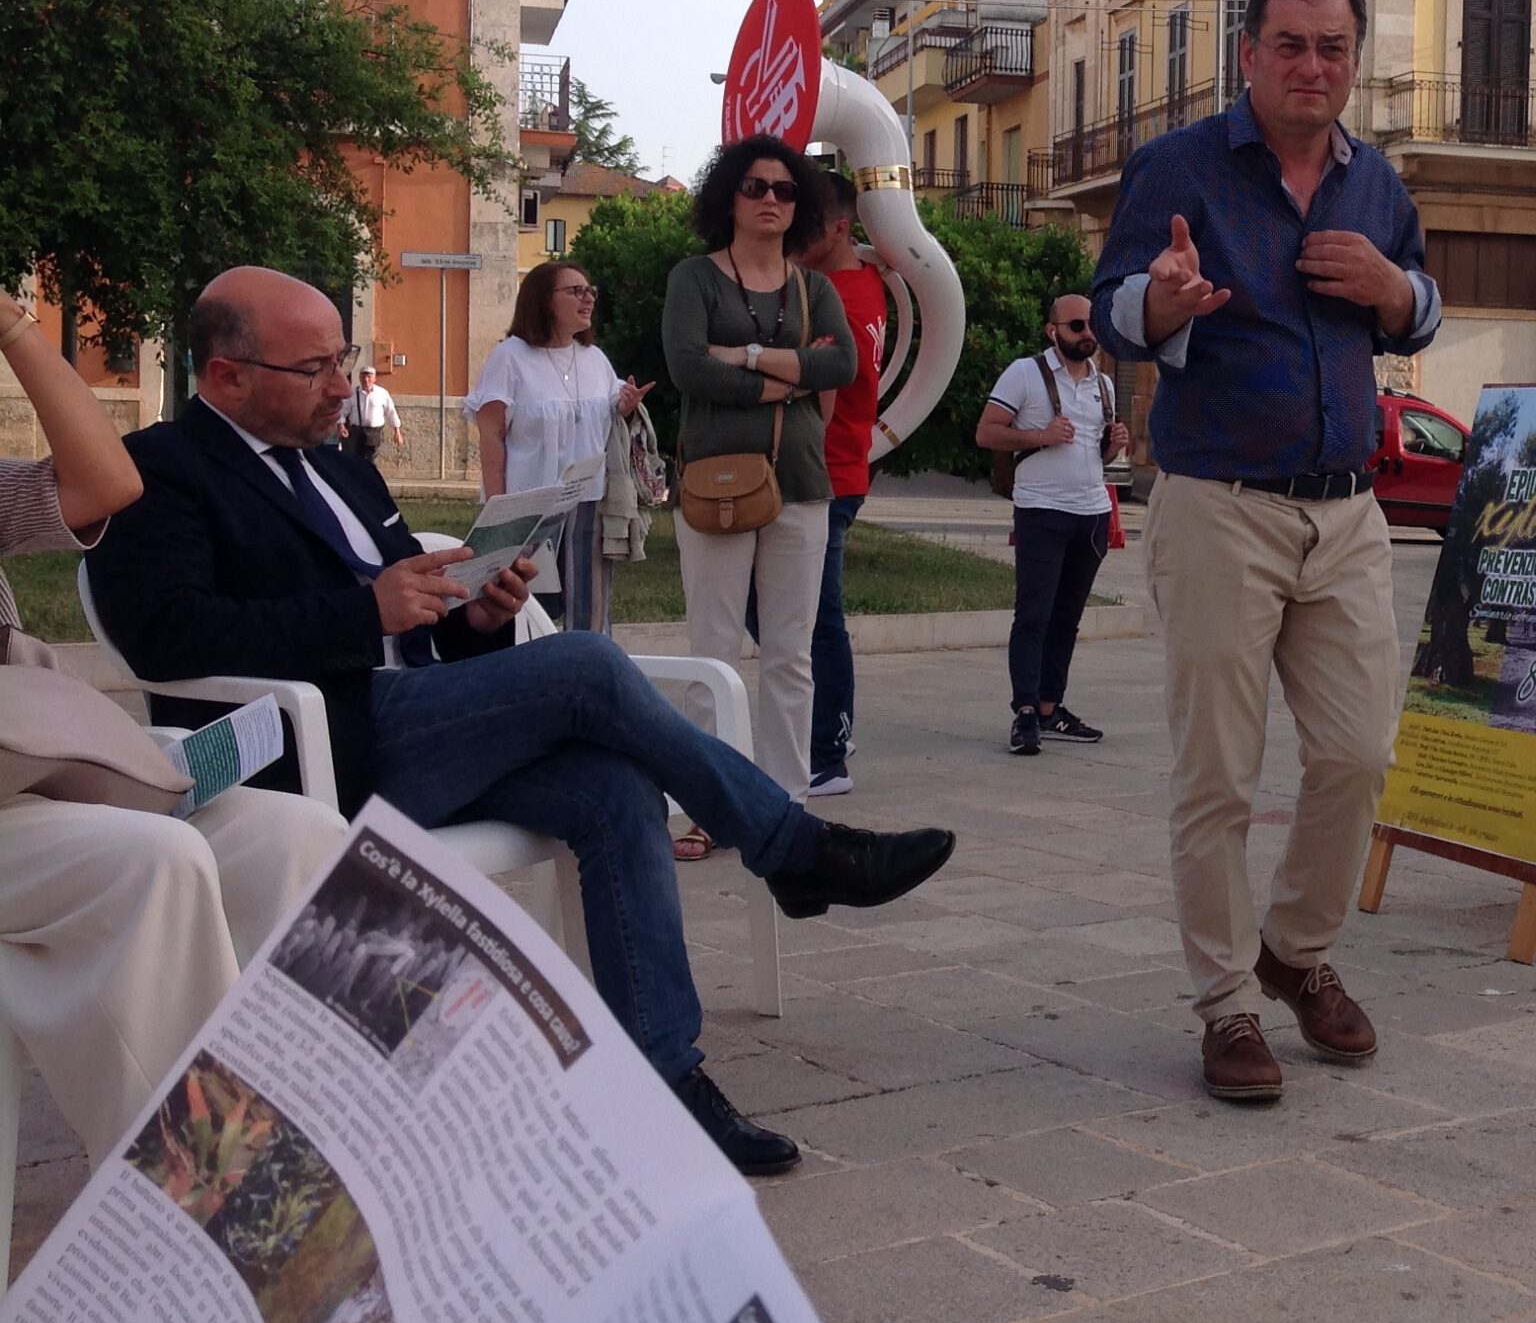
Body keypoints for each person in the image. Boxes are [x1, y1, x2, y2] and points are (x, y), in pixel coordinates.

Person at [85, 267, 956, 1175]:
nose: (344, 384)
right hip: (305, 756)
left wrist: (475, 617)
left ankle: (666, 1080)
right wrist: (362, 615)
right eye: (315, 369)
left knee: (617, 788)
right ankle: (794, 850)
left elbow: (419, 624)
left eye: (342, 359)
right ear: (226, 376)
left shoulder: (344, 468)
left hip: (415, 727)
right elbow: (166, 637)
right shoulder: (159, 472)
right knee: (585, 663)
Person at [1091, 0, 1440, 1103]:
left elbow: (1423, 301)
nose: (1312, 67)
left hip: (1347, 511)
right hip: (1218, 507)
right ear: (1248, 55)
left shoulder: (1374, 182)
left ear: (1353, 58)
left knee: (1358, 753)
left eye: (1332, 47)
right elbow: (1112, 312)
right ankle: (1228, 1005)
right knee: (1218, 776)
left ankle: (1294, 949)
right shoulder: (1177, 168)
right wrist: (1163, 299)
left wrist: (1391, 291)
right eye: (1290, 45)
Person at [0, 284, 345, 1166]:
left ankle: (335, 1144)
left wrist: (14, 326)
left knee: (291, 830)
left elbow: (106, 481)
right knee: (154, 863)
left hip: (32, 772)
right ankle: (217, 1209)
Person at [662, 135, 856, 808]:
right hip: (715, 482)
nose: (771, 199)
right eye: (755, 187)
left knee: (790, 657)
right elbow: (688, 367)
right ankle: (709, 804)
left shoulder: (816, 289)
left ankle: (784, 804)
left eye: (785, 189)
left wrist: (740, 358)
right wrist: (786, 373)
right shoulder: (695, 277)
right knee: (712, 653)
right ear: (729, 198)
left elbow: (842, 366)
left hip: (802, 484)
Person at [976, 294, 1129, 756]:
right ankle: (1024, 712)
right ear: (1053, 330)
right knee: (1034, 614)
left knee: (1067, 618)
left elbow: (1093, 454)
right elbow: (986, 432)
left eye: (1092, 325)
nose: (1088, 334)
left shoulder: (1103, 384)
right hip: (1041, 509)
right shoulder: (1025, 373)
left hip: (1091, 511)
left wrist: (1113, 445)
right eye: (1078, 325)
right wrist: (1041, 436)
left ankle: (1049, 706)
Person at [465, 260, 651, 634]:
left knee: (590, 610)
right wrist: (498, 511)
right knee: (525, 608)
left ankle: (588, 677)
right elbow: (491, 436)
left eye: (590, 291)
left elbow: (607, 412)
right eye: (576, 291)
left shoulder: (594, 359)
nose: (588, 298)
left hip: (587, 504)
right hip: (528, 507)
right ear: (543, 300)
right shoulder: (510, 357)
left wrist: (626, 405)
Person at [796, 171, 889, 797]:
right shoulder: (866, 284)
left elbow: (821, 389)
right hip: (840, 469)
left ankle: (827, 753)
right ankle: (836, 725)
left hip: (824, 473)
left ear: (837, 228)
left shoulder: (838, 298)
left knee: (812, 617)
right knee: (804, 614)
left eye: (806, 226)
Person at [337, 365, 404, 465]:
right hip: (356, 432)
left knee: (371, 461)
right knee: (355, 460)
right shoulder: (352, 393)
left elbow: (391, 412)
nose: (366, 380)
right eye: (363, 377)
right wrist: (341, 426)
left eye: (369, 377)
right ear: (359, 378)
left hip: (374, 433)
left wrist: (397, 432)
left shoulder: (381, 393)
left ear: (374, 379)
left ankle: (368, 478)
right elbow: (343, 411)